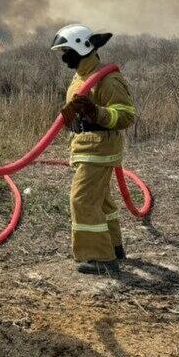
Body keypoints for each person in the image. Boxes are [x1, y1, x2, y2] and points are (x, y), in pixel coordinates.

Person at [51, 24, 137, 274]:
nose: (64, 56)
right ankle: (114, 247)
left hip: (98, 149)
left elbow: (126, 115)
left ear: (82, 47)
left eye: (67, 50)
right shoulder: (81, 76)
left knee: (83, 201)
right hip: (86, 148)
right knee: (101, 201)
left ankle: (99, 258)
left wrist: (95, 112)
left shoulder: (107, 78)